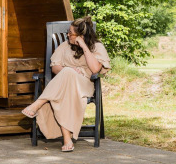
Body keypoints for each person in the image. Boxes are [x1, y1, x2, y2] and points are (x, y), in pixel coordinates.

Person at [21, 17, 111, 152]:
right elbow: (55, 67)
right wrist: (68, 71)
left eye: (71, 33)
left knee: (67, 75)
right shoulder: (65, 46)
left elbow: (95, 69)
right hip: (64, 85)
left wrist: (83, 46)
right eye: (68, 32)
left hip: (84, 83)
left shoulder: (97, 47)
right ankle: (67, 138)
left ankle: (38, 103)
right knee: (66, 84)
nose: (67, 35)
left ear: (81, 36)